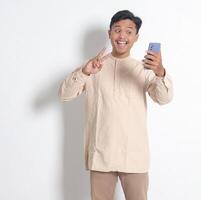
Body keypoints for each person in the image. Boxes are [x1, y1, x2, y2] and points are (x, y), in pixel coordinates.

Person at [58, 10, 173, 200]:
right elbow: (64, 94)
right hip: (101, 155)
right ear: (109, 33)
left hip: (134, 156)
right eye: (117, 30)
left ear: (136, 37)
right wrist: (85, 72)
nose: (122, 36)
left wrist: (160, 72)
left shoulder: (143, 69)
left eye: (129, 31)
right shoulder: (94, 66)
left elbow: (164, 98)